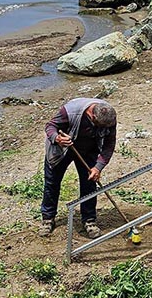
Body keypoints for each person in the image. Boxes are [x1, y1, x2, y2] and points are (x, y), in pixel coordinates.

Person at [41, 98, 117, 236]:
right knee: (52, 183)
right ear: (92, 116)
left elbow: (109, 145)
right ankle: (48, 219)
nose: (104, 129)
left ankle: (89, 220)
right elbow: (50, 126)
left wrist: (98, 167)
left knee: (89, 183)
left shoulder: (109, 118)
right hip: (61, 149)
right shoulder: (70, 111)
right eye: (99, 126)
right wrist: (57, 138)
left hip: (88, 150)